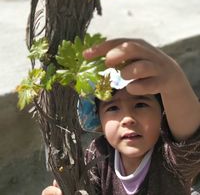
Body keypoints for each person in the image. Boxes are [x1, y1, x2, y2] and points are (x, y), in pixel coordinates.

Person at [42, 38, 200, 195]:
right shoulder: (98, 154)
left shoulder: (171, 158)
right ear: (100, 120)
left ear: (162, 113)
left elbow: (190, 137)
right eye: (113, 108)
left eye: (140, 105)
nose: (127, 118)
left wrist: (173, 79)